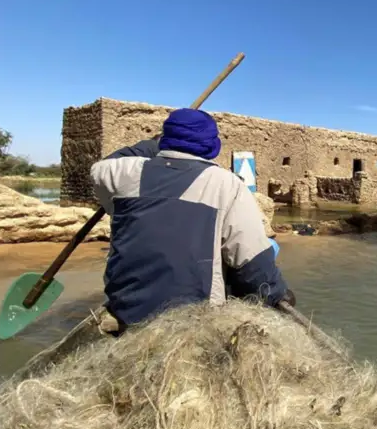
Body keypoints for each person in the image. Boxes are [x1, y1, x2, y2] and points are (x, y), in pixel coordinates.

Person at [89, 107, 294, 331]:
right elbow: (252, 260)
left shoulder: (124, 173)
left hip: (129, 308)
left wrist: (154, 143)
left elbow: (103, 165)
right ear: (212, 144)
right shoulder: (225, 183)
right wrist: (277, 294)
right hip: (195, 314)